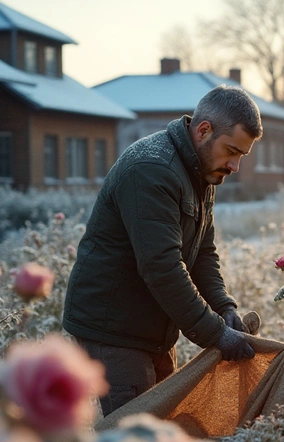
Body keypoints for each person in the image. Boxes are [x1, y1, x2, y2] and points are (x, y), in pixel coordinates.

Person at [63, 85, 260, 416]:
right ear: (203, 130)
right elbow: (162, 267)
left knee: (166, 433)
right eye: (231, 151)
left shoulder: (200, 171)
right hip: (114, 334)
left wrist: (224, 308)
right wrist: (217, 335)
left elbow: (203, 253)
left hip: (152, 332)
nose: (235, 166)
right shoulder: (151, 171)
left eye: (242, 155)